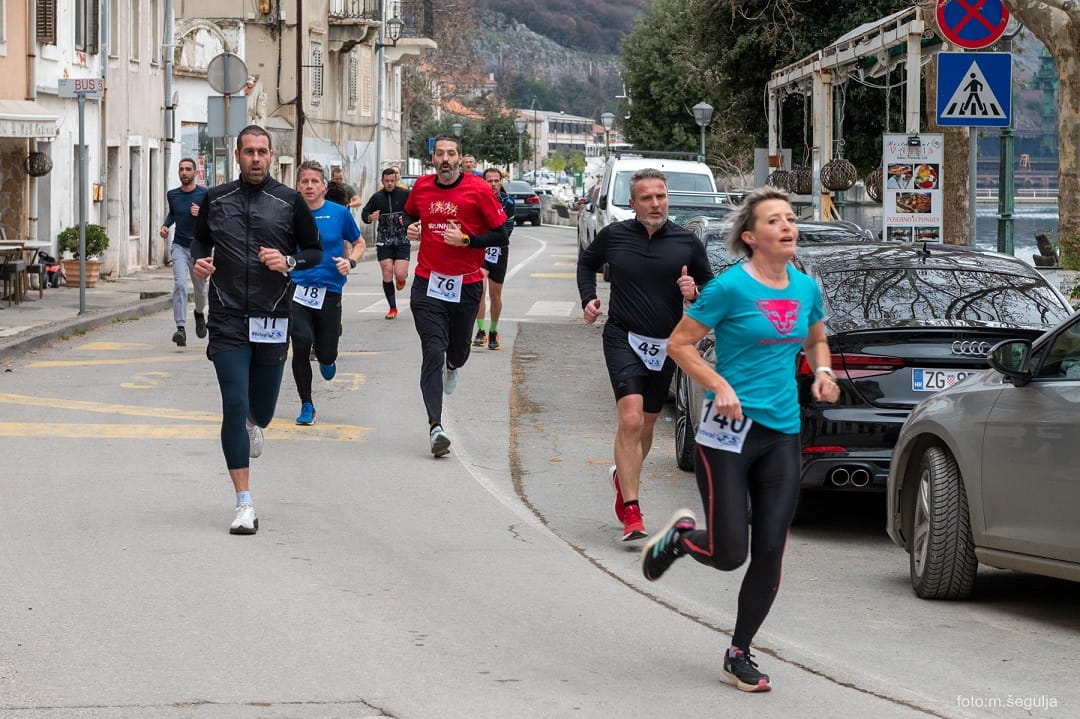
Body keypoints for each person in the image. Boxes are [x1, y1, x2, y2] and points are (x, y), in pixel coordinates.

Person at [640, 186, 840, 692]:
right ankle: (682, 539)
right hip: (727, 433)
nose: (788, 226)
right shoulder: (729, 288)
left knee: (770, 548)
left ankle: (739, 652)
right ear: (750, 237)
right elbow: (679, 345)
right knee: (730, 553)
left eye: (790, 218)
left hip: (782, 432)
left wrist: (822, 371)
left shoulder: (805, 288)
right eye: (775, 220)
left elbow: (816, 338)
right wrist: (720, 385)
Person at [192, 125, 322, 535]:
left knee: (260, 410)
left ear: (270, 155)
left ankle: (253, 424)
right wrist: (200, 262)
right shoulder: (216, 199)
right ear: (237, 155)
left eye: (262, 152)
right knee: (234, 403)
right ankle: (244, 503)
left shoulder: (288, 201)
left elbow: (314, 251)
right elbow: (199, 242)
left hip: (272, 316)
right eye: (248, 151)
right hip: (228, 316)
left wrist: (289, 261)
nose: (255, 158)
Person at [577, 168, 713, 541]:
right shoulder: (614, 236)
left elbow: (710, 287)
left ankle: (624, 478)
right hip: (623, 336)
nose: (656, 204)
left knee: (648, 425)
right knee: (632, 417)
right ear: (633, 203)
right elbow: (587, 263)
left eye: (661, 196)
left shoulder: (686, 242)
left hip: (666, 343)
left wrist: (694, 291)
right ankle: (632, 512)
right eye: (647, 198)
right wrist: (589, 298)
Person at [403, 134, 508, 457]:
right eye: (440, 154)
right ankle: (435, 427)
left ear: (461, 159)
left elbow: (501, 234)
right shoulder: (422, 187)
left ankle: (454, 363)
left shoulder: (478, 189)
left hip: (466, 284)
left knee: (457, 351)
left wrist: (468, 241)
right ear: (432, 158)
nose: (445, 159)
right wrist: (412, 227)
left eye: (451, 154)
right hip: (428, 283)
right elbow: (409, 214)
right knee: (432, 349)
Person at [290, 160, 363, 425]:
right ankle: (306, 404)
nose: (309, 186)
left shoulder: (339, 213)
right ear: (298, 186)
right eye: (304, 181)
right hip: (297, 288)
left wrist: (350, 261)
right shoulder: (290, 213)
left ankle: (327, 358)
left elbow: (359, 242)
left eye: (314, 181)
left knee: (327, 353)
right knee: (300, 343)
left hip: (330, 290)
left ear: (323, 187)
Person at [160, 158, 209, 347]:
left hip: (199, 247)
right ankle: (180, 328)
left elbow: (215, 217)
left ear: (195, 173)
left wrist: (202, 213)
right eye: (181, 169)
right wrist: (165, 226)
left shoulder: (205, 194)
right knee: (180, 284)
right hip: (179, 246)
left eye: (188, 169)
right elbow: (173, 213)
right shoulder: (173, 195)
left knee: (200, 290)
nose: (184, 172)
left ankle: (199, 313)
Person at [473, 168, 515, 350]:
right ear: (484, 182)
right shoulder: (477, 200)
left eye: (496, 181)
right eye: (489, 181)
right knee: (479, 290)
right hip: (481, 249)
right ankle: (481, 330)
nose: (493, 184)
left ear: (501, 182)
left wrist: (490, 237)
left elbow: (507, 231)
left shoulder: (508, 202)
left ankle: (493, 330)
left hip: (499, 251)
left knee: (495, 294)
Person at [361, 167, 412, 319]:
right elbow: (365, 213)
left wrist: (407, 219)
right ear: (382, 181)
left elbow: (416, 210)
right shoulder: (377, 197)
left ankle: (401, 278)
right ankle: (392, 308)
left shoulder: (405, 194)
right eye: (387, 181)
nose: (389, 184)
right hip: (384, 238)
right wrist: (370, 217)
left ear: (396, 180)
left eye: (392, 181)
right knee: (387, 270)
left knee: (400, 273)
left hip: (402, 238)